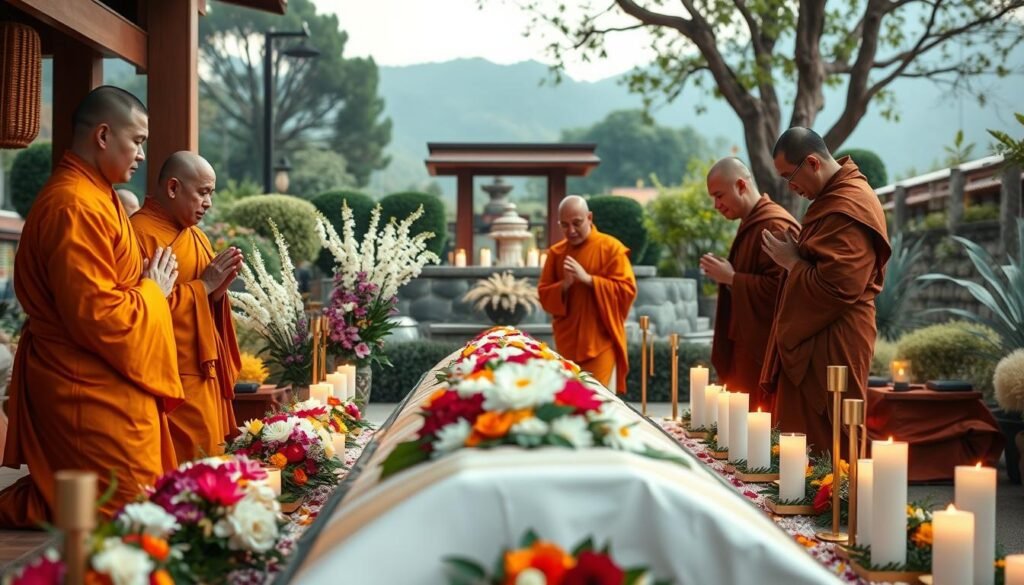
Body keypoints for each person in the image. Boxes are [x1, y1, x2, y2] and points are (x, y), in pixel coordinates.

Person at [0, 86, 183, 527]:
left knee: (119, 500)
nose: (142, 155)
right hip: (82, 378)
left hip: (103, 375)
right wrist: (153, 292)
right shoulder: (75, 204)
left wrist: (146, 281)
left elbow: (111, 281)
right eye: (137, 141)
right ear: (103, 135)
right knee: (124, 505)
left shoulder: (97, 195)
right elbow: (96, 313)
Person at [760, 127, 890, 456]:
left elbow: (841, 285)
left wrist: (792, 262)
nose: (791, 188)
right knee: (804, 440)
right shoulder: (833, 197)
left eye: (791, 176)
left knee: (835, 434)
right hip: (818, 333)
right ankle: (806, 501)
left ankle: (837, 504)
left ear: (813, 163)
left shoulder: (850, 203)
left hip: (837, 338)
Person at [132, 152, 243, 461]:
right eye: (203, 192)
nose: (208, 202)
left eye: (211, 193)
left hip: (202, 373)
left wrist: (217, 294)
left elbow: (206, 305)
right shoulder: (137, 234)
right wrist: (203, 287)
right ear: (172, 188)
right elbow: (140, 309)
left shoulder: (197, 238)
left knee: (209, 461)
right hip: (165, 376)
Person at [700, 158, 799, 411]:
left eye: (719, 196)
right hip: (744, 344)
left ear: (741, 185)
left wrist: (732, 278)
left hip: (762, 351)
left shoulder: (773, 225)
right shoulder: (752, 222)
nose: (716, 205)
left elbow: (787, 290)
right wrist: (729, 274)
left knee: (756, 426)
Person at [538, 195, 637, 392]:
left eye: (577, 223)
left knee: (596, 400)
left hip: (600, 341)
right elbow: (544, 294)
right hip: (567, 343)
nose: (571, 231)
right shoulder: (557, 253)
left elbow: (627, 290)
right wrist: (564, 285)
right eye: (565, 225)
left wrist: (589, 280)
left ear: (589, 218)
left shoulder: (610, 248)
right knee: (569, 401)